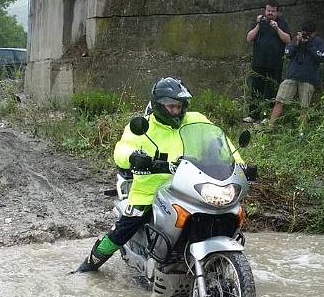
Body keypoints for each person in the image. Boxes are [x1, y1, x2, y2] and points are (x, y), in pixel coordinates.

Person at [76, 77, 241, 273]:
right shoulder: (142, 127)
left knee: (225, 214)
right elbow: (121, 151)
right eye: (171, 106)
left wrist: (239, 164)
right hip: (150, 190)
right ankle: (91, 263)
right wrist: (134, 158)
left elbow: (222, 144)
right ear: (158, 105)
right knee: (125, 227)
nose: (176, 111)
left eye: (179, 106)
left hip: (192, 187)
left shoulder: (196, 120)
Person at [268, 20, 324, 130]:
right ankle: (270, 127)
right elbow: (287, 54)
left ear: (314, 33)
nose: (306, 35)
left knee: (304, 106)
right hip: (292, 75)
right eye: (304, 32)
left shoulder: (319, 42)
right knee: (280, 100)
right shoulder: (296, 39)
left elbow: (321, 57)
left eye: (309, 33)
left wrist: (309, 44)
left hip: (308, 78)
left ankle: (301, 131)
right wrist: (297, 43)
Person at [244, 0, 291, 123]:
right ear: (265, 10)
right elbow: (249, 38)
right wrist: (258, 25)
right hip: (259, 63)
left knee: (271, 90)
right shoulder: (260, 22)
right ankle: (253, 115)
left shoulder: (281, 23)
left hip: (274, 64)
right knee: (256, 89)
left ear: (277, 12)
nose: (270, 13)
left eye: (273, 11)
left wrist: (277, 28)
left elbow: (288, 40)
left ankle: (266, 116)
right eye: (268, 10)